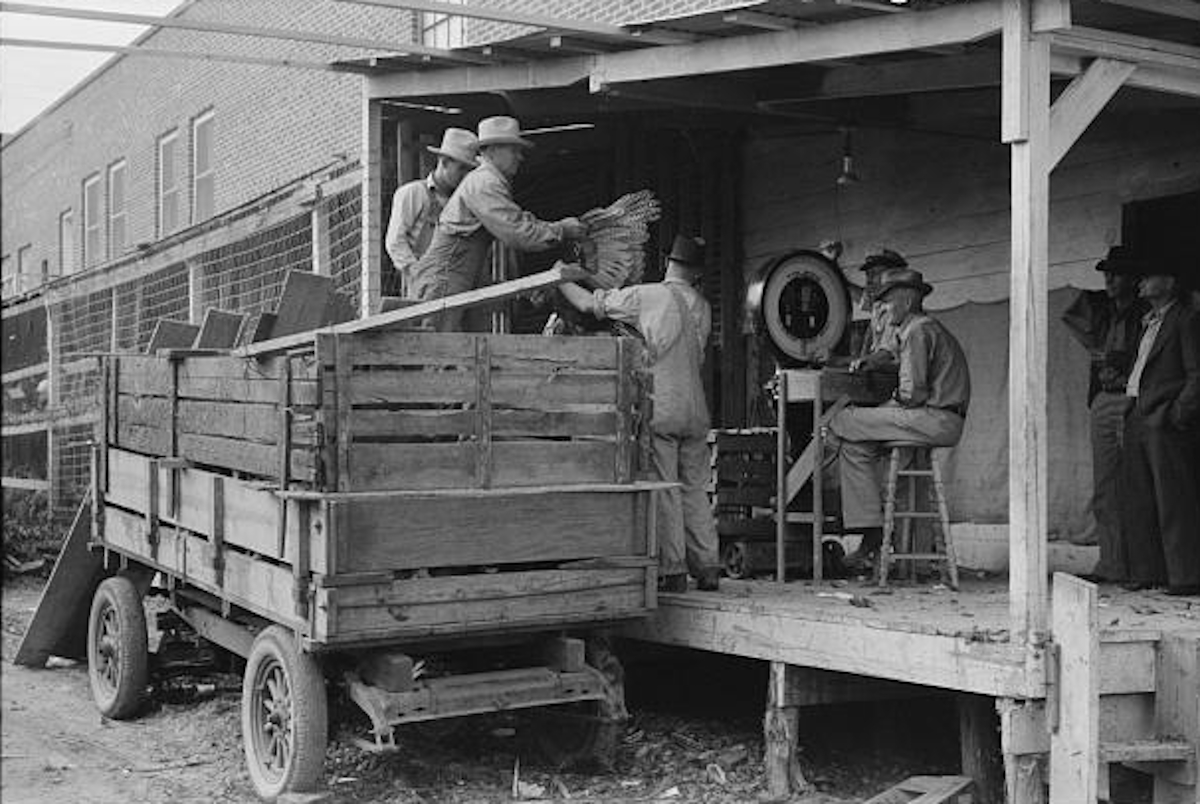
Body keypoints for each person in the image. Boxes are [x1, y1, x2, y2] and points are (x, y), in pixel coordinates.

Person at [557, 234, 722, 593]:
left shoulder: (649, 296)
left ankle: (674, 569)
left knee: (666, 487)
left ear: (667, 262)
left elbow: (589, 304)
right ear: (696, 272)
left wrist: (561, 277)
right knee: (695, 489)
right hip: (696, 407)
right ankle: (708, 567)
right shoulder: (703, 306)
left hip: (663, 405)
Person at [826, 268, 972, 574]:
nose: (884, 308)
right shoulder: (917, 327)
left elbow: (911, 394)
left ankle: (847, 508)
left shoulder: (917, 330)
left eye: (889, 301)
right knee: (855, 448)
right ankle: (872, 531)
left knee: (842, 420)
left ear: (906, 301)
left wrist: (884, 406)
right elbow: (896, 368)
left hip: (935, 419)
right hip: (936, 417)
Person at [408, 115, 586, 331]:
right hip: (444, 280)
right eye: (514, 150)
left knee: (453, 344)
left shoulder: (489, 181)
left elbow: (517, 221)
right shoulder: (485, 183)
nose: (519, 157)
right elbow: (517, 231)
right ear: (492, 151)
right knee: (438, 345)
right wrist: (562, 230)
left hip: (455, 278)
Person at [1060, 245, 1146, 581]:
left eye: (1117, 274)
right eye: (1107, 274)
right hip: (1104, 398)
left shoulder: (1145, 313)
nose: (1109, 280)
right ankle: (1112, 563)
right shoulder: (1103, 310)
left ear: (1133, 279)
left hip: (1133, 398)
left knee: (1136, 483)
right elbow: (1072, 314)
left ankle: (1143, 566)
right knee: (1106, 486)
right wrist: (1099, 351)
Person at [1119, 260, 1200, 596]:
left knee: (1172, 498)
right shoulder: (1147, 321)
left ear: (1168, 282)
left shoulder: (1186, 319)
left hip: (1163, 416)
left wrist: (1178, 413)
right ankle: (1147, 570)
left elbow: (1196, 374)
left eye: (1148, 276)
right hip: (1137, 411)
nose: (1141, 281)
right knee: (1139, 496)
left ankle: (1184, 575)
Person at [384, 127, 479, 297]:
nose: (465, 175)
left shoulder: (466, 203)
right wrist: (417, 273)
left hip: (459, 289)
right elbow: (395, 242)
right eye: (461, 169)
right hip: (423, 292)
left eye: (469, 170)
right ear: (444, 162)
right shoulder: (413, 193)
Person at [850, 249, 907, 372]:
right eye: (867, 275)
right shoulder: (878, 304)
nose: (868, 280)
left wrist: (863, 361)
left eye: (875, 274)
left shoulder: (898, 308)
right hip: (880, 367)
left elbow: (888, 353)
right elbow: (856, 293)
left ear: (894, 276)